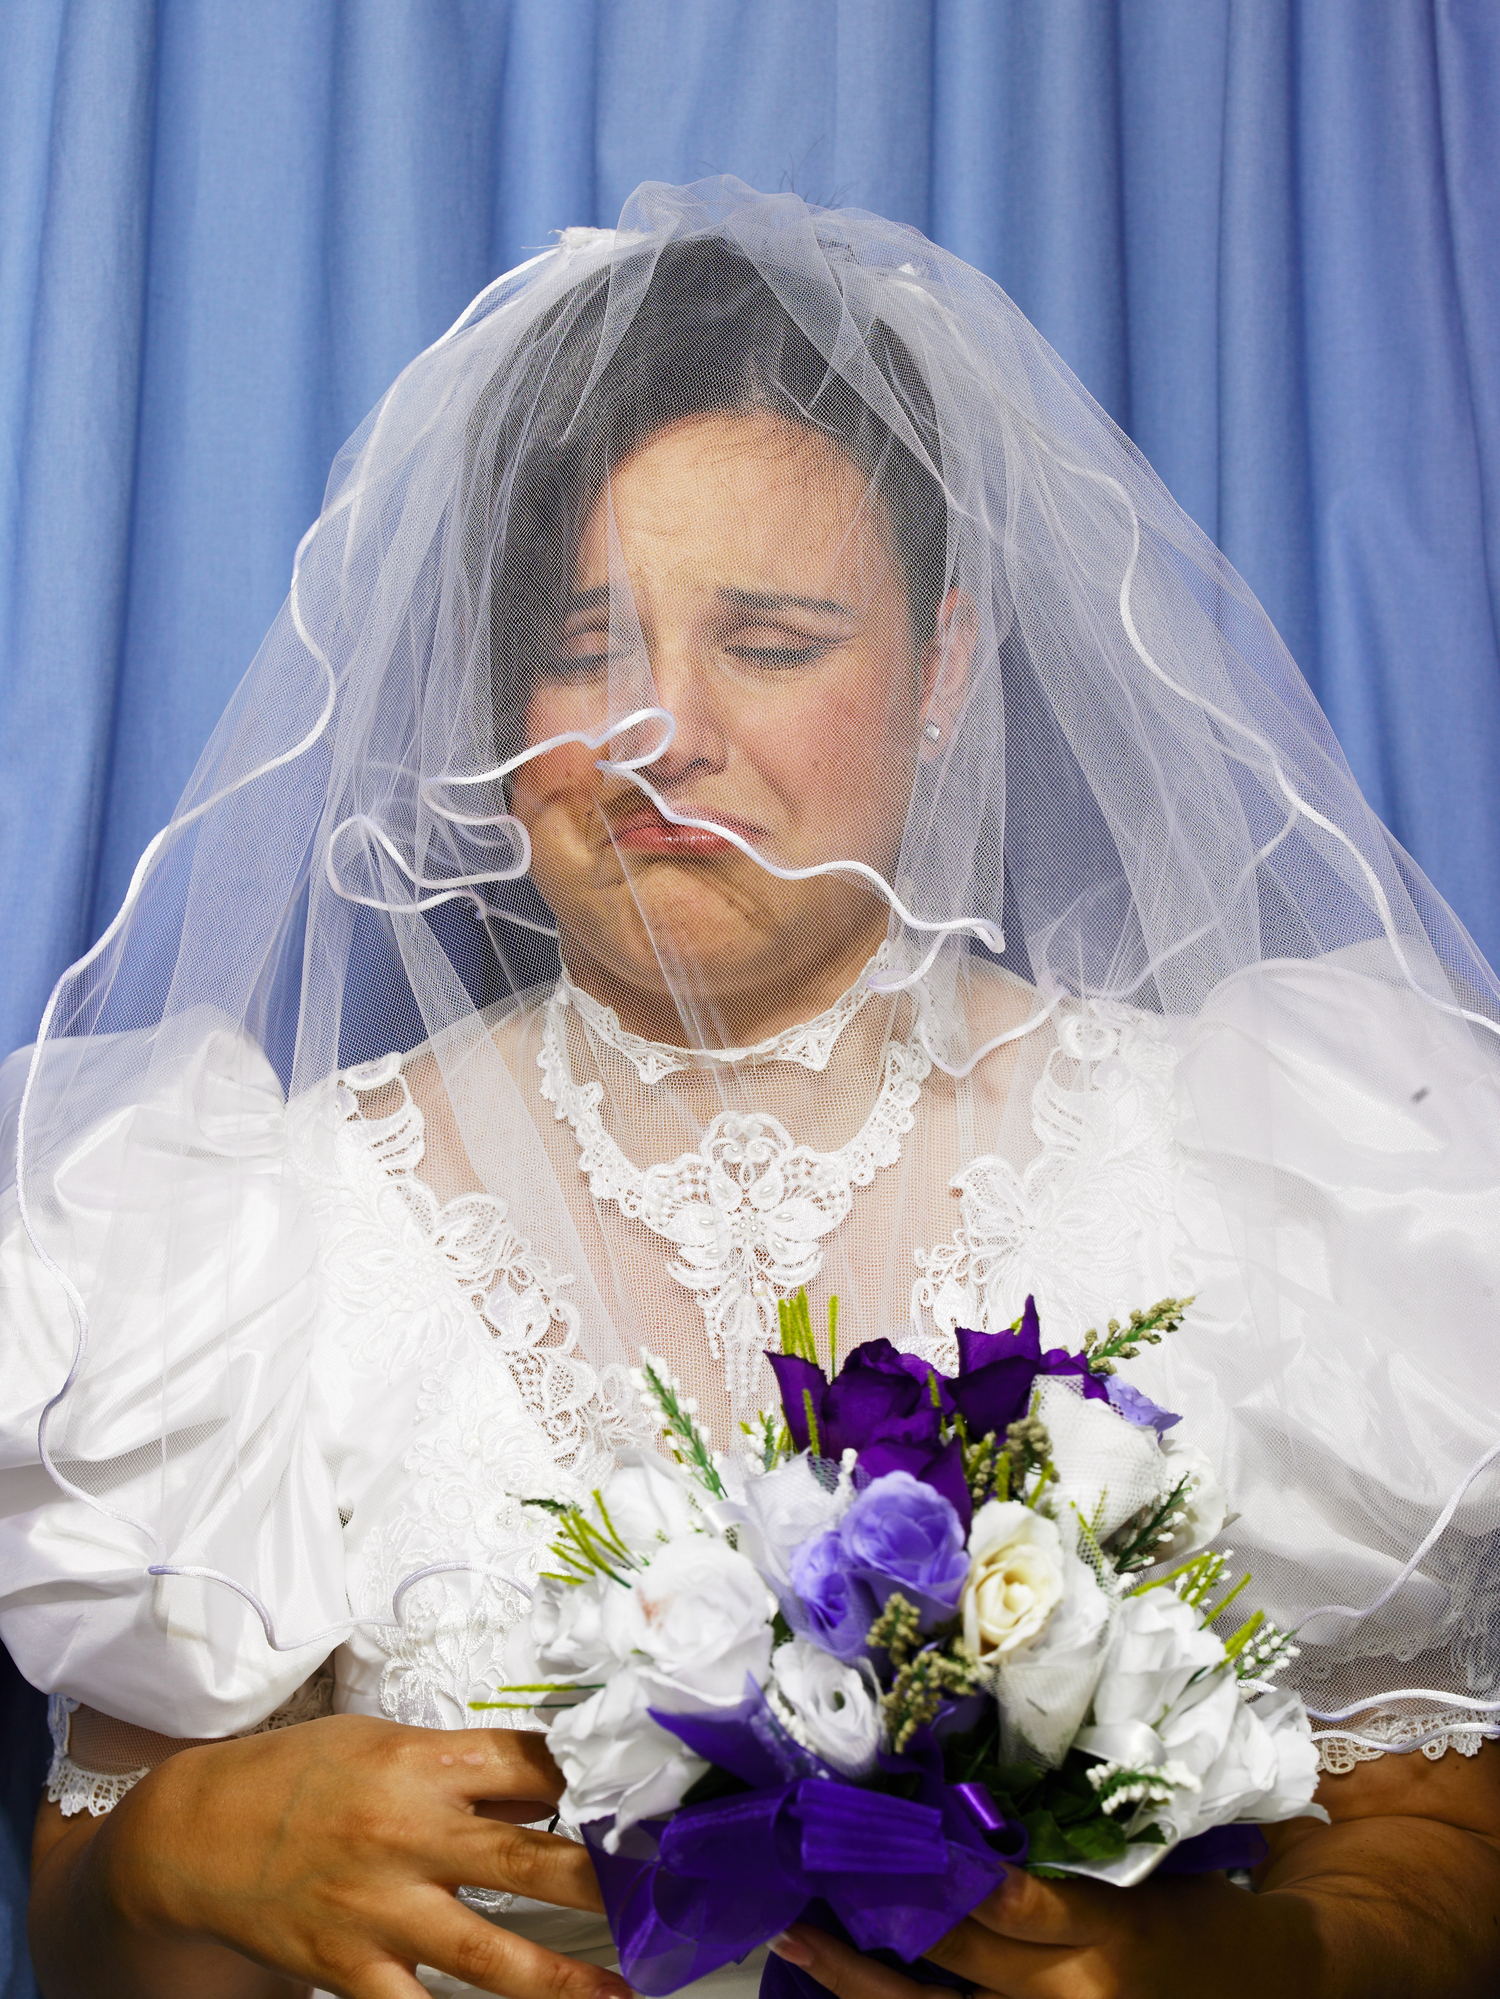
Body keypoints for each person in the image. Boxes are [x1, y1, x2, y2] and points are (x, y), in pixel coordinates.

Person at [3, 179, 1500, 1999]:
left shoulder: (1251, 1161)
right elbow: (94, 1936)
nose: (658, 732)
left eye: (770, 643)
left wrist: (1211, 1975)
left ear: (945, 666)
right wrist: (179, 1853)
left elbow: (1441, 1846)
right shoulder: (254, 1222)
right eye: (581, 649)